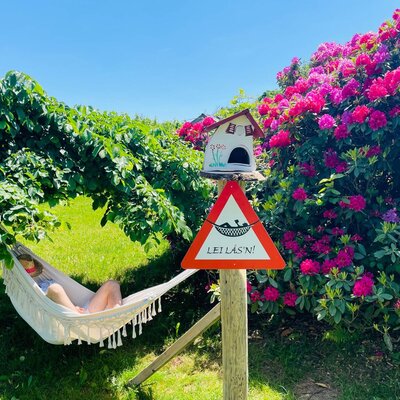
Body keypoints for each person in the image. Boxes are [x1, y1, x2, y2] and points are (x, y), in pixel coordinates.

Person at [17, 254, 122, 314]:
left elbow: (63, 300)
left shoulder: (47, 282)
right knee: (55, 288)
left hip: (83, 313)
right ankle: (81, 320)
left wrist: (74, 308)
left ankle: (115, 314)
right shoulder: (23, 291)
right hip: (72, 321)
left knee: (112, 284)